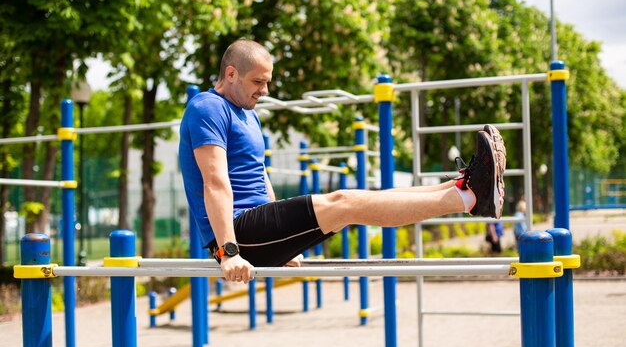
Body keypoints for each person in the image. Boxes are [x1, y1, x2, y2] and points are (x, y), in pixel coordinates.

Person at [179, 39, 507, 284]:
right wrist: (229, 252)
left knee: (367, 196)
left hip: (258, 227)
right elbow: (215, 183)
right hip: (238, 233)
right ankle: (468, 197)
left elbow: (259, 177)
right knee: (346, 201)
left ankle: (462, 186)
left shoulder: (248, 115)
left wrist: (288, 240)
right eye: (258, 82)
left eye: (267, 82)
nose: (264, 91)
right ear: (231, 73)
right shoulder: (207, 107)